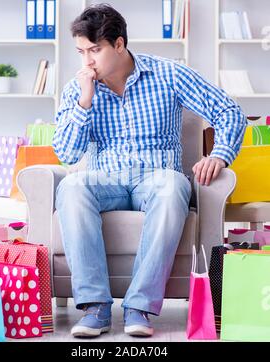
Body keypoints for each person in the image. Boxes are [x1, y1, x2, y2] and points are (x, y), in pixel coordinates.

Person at [53, 3, 246, 338]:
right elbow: (67, 152)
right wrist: (84, 103)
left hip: (157, 177)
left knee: (172, 187)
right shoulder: (78, 89)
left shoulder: (168, 74)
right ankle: (95, 308)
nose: (87, 61)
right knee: (71, 187)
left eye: (95, 50)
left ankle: (139, 307)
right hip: (106, 178)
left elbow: (229, 110)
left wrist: (220, 154)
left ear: (119, 44)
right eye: (81, 52)